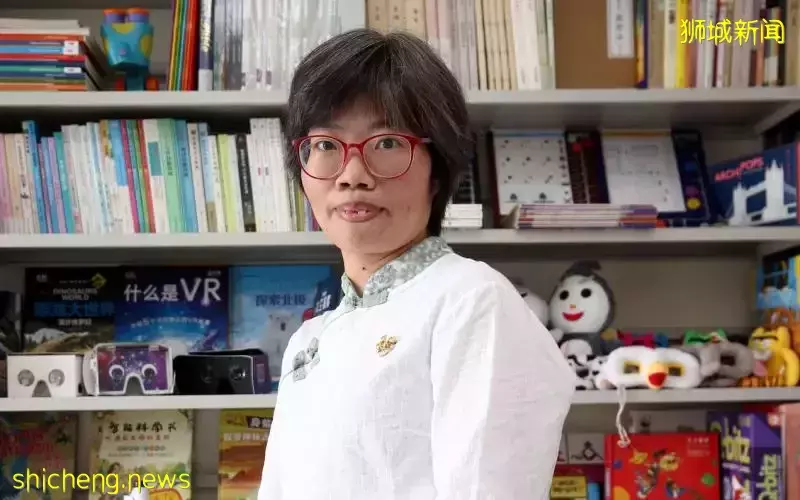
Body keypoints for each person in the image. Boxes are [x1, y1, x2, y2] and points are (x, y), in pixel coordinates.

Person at [257, 28, 576, 500]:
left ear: (437, 169)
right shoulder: (309, 338)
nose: (352, 175)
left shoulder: (472, 300)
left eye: (387, 143)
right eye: (325, 145)